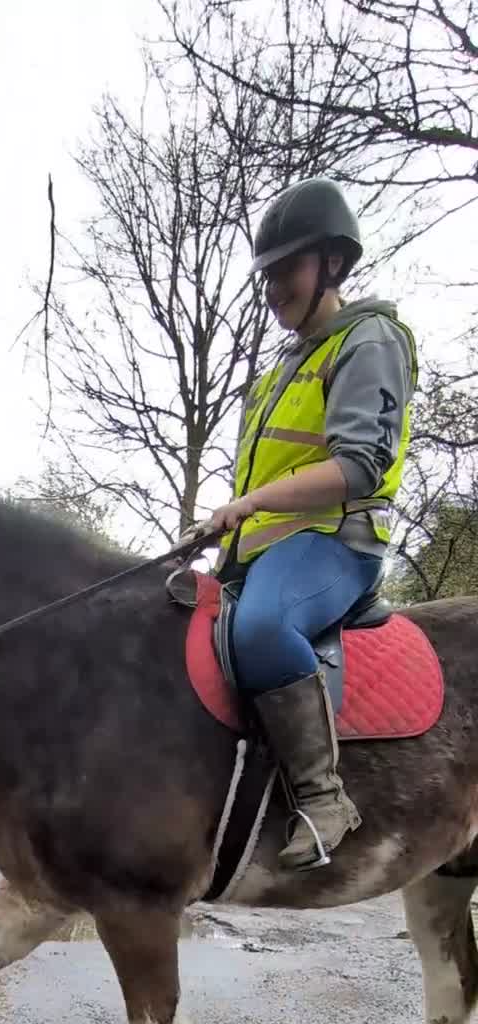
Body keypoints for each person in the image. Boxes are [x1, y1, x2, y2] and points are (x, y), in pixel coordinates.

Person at [204, 178, 418, 870]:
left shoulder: (369, 339)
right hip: (258, 556)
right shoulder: (272, 376)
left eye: (286, 270)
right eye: (265, 277)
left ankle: (324, 798)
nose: (273, 291)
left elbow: (358, 465)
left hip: (334, 546)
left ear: (331, 262)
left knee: (261, 629)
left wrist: (252, 502)